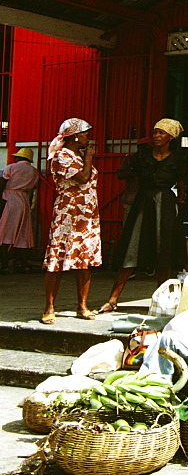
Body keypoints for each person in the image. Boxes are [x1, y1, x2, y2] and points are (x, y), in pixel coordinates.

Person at [99, 119, 186, 313]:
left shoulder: (178, 159)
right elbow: (125, 174)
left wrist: (180, 200)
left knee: (164, 252)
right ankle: (112, 300)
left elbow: (181, 183)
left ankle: (160, 302)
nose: (156, 136)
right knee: (131, 247)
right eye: (155, 132)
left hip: (165, 204)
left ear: (171, 137)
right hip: (143, 203)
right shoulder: (142, 157)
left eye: (161, 133)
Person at [42, 118, 101, 324]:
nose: (88, 138)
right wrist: (89, 159)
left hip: (86, 215)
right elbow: (83, 178)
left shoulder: (77, 154)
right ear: (75, 136)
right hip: (68, 213)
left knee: (84, 259)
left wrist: (86, 157)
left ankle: (82, 305)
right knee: (57, 259)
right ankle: (49, 307)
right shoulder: (61, 157)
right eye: (85, 134)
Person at [0, 147, 38, 272]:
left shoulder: (11, 168)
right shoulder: (34, 171)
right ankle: (24, 264)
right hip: (24, 200)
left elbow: (2, 183)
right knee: (23, 232)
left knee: (5, 232)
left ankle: (4, 264)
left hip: (10, 199)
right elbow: (32, 190)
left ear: (18, 157)